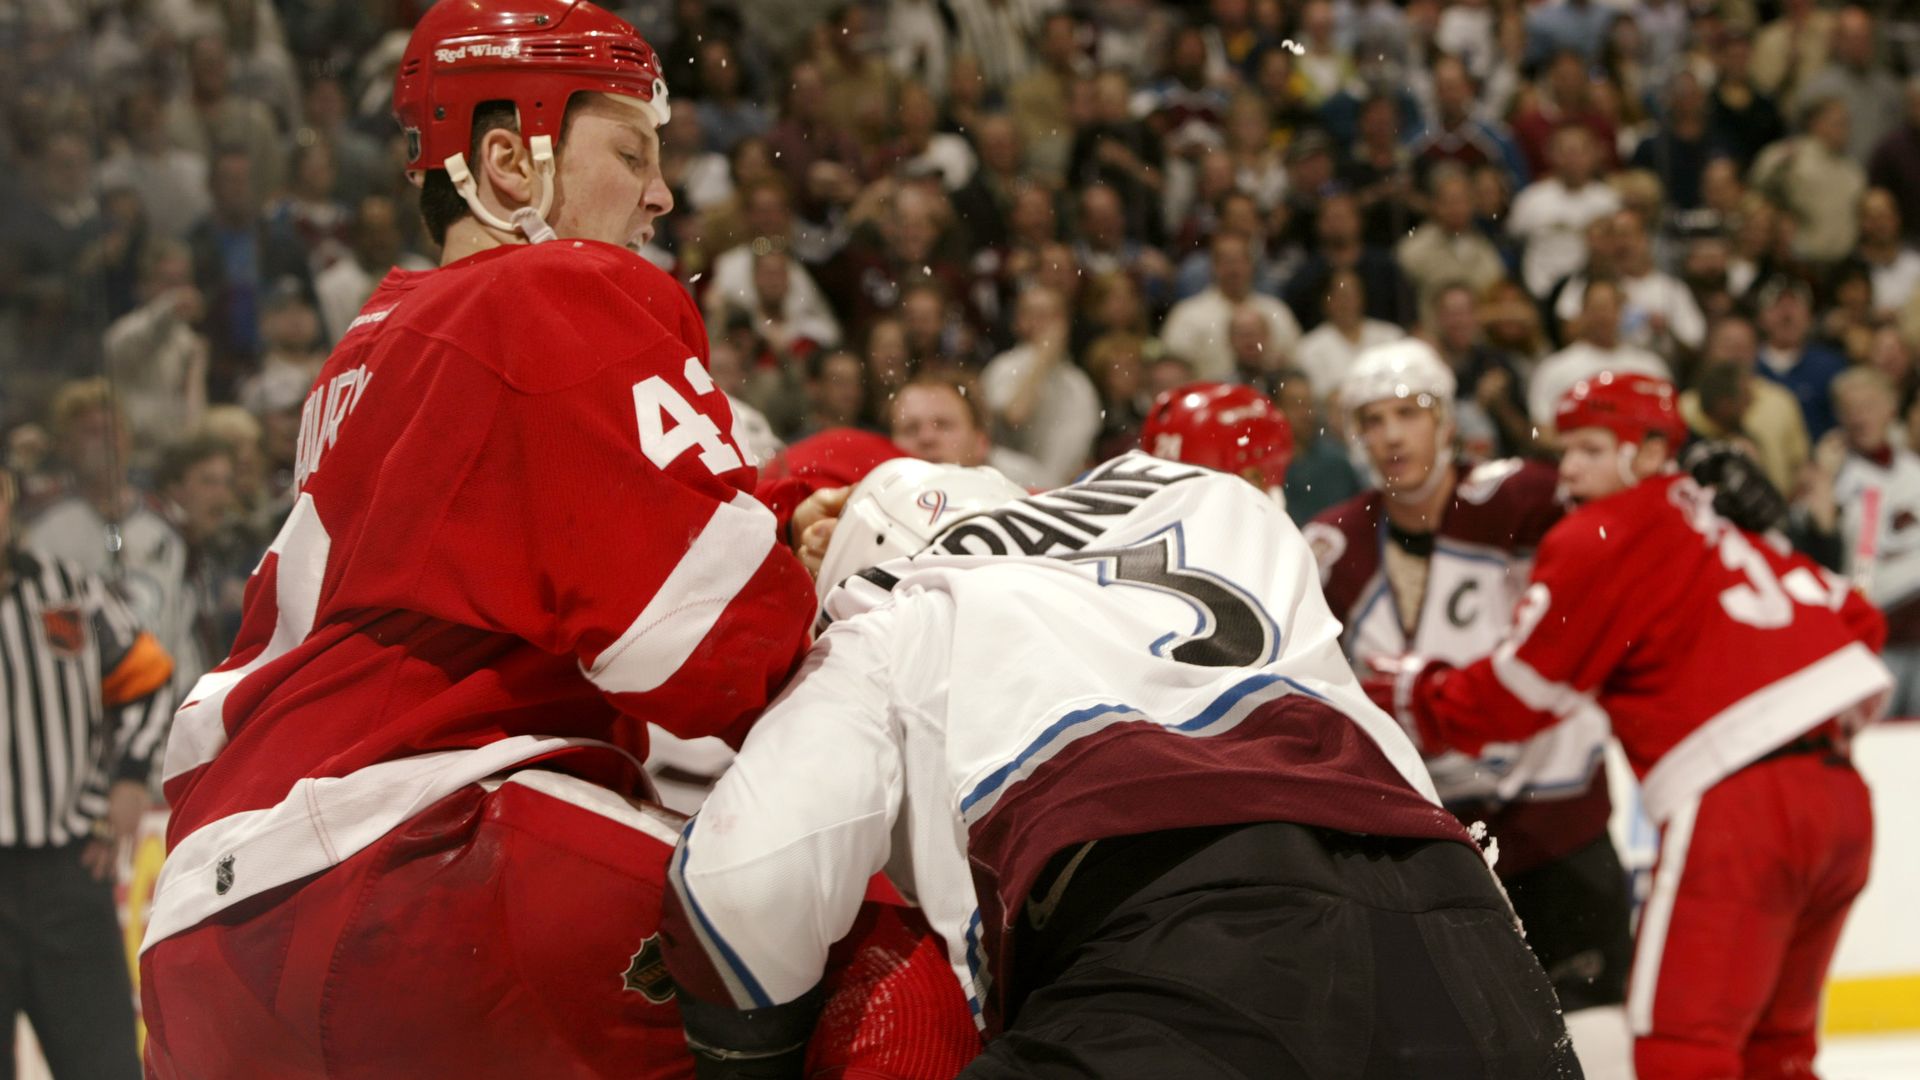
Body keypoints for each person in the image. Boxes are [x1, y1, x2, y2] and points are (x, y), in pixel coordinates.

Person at [135, 4, 864, 1076]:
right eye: (632, 151)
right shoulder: (554, 286)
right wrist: (812, 561)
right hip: (411, 863)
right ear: (509, 164)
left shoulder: (373, 343)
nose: (662, 194)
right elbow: (720, 653)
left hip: (208, 936)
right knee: (881, 947)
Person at [659, 449, 1583, 1078]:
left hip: (1170, 945)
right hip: (1464, 936)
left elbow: (742, 885)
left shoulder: (891, 612)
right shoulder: (1208, 500)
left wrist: (750, 1060)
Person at [1370, 372, 1889, 1080]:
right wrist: (1765, 543)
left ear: (1649, 454)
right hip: (1841, 804)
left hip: (1739, 805)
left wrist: (1409, 691)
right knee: (1778, 1047)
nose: (1569, 470)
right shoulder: (1717, 520)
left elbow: (1516, 698)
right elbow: (1861, 623)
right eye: (1565, 449)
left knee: (1683, 1045)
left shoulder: (1600, 532)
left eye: (1588, 447)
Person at [1305, 340, 1632, 1077]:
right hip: (1437, 857)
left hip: (1559, 832)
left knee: (1602, 1041)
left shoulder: (1526, 501)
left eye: (1410, 414)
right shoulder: (1334, 547)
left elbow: (1627, 522)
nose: (1392, 435)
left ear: (1447, 422)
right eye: (1373, 418)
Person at [1, 465, 174, 1080]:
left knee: (102, 1065)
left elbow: (150, 681)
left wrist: (131, 777)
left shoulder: (69, 591)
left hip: (68, 872)